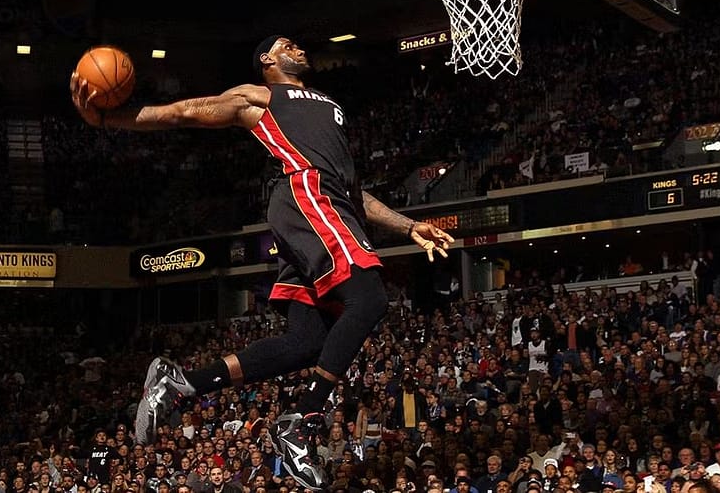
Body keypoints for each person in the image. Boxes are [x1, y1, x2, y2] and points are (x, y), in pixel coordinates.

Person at [69, 35, 454, 490]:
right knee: (369, 298)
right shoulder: (261, 95)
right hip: (306, 197)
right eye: (285, 43)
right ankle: (302, 421)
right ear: (268, 60)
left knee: (306, 343)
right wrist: (109, 119)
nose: (298, 45)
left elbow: (351, 191)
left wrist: (408, 226)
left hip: (326, 202)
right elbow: (183, 112)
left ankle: (182, 384)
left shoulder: (328, 107)